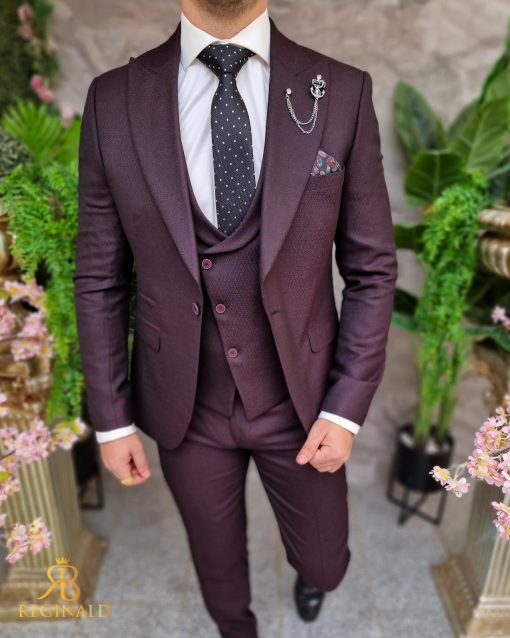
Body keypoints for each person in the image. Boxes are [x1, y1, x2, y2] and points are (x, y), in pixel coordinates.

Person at [74, 1, 398, 636]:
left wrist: (344, 410)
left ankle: (312, 575)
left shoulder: (341, 90)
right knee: (218, 574)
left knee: (327, 564)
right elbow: (99, 277)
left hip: (302, 400)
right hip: (185, 402)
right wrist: (111, 420)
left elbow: (372, 269)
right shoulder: (112, 100)